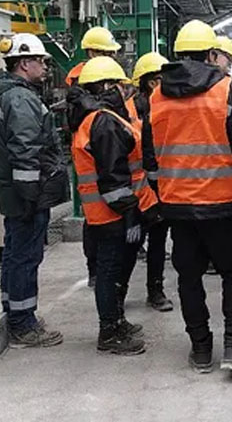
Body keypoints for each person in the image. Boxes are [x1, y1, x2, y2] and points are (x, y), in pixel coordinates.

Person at [147, 19, 232, 374]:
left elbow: (150, 157)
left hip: (178, 207)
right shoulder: (230, 92)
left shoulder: (157, 96)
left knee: (188, 277)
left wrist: (162, 195)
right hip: (225, 204)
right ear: (212, 54)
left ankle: (200, 349)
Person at [70, 56, 160, 355]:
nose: (126, 91)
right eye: (122, 85)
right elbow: (113, 177)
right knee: (110, 272)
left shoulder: (96, 117)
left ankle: (117, 322)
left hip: (107, 211)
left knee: (116, 269)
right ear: (108, 86)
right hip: (112, 214)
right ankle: (109, 332)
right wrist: (130, 212)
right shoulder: (104, 121)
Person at [0, 33, 66, 348]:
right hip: (25, 194)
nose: (44, 67)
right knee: (25, 257)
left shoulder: (8, 95)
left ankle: (15, 313)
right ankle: (23, 324)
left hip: (14, 191)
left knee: (16, 254)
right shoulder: (20, 99)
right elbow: (25, 150)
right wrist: (31, 195)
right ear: (24, 63)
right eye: (40, 61)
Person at [65, 26, 122, 289]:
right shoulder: (81, 81)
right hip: (92, 152)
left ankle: (104, 268)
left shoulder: (107, 77)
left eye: (111, 53)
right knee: (95, 217)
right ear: (91, 52)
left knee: (108, 214)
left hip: (109, 147)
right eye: (105, 52)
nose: (111, 57)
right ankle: (95, 269)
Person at [129, 52, 174, 312]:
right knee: (132, 243)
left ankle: (155, 291)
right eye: (161, 79)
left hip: (158, 187)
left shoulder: (166, 106)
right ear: (150, 82)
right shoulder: (130, 109)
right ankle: (117, 296)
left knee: (157, 241)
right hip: (137, 188)